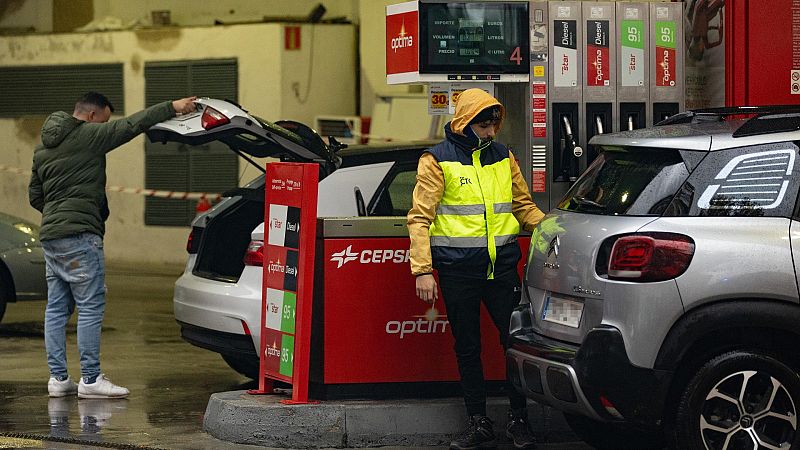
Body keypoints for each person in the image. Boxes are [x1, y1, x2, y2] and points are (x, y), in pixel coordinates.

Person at [29, 92, 197, 399]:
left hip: (52, 237)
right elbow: (133, 125)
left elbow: (35, 197)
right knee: (90, 306)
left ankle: (59, 379)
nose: (106, 126)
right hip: (80, 236)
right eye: (105, 120)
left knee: (56, 310)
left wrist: (60, 215)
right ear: (92, 116)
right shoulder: (90, 135)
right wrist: (173, 107)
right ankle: (91, 380)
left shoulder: (42, 149)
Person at [407, 88, 545, 450]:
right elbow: (420, 218)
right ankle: (477, 422)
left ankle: (519, 420)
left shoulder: (503, 156)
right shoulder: (437, 160)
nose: (491, 132)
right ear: (465, 123)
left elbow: (523, 206)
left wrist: (551, 229)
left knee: (513, 345)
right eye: (484, 125)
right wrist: (422, 270)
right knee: (467, 347)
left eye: (494, 124)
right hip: (458, 272)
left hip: (501, 271)